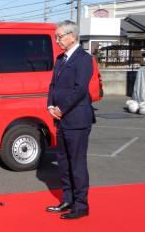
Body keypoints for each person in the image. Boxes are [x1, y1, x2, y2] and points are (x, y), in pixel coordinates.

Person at [46, 20, 95, 220]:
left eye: (59, 36)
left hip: (76, 119)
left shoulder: (83, 59)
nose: (57, 40)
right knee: (63, 162)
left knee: (77, 164)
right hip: (61, 118)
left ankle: (81, 204)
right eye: (56, 36)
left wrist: (62, 108)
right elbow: (53, 85)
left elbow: (80, 88)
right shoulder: (60, 59)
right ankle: (67, 198)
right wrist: (50, 105)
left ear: (72, 36)